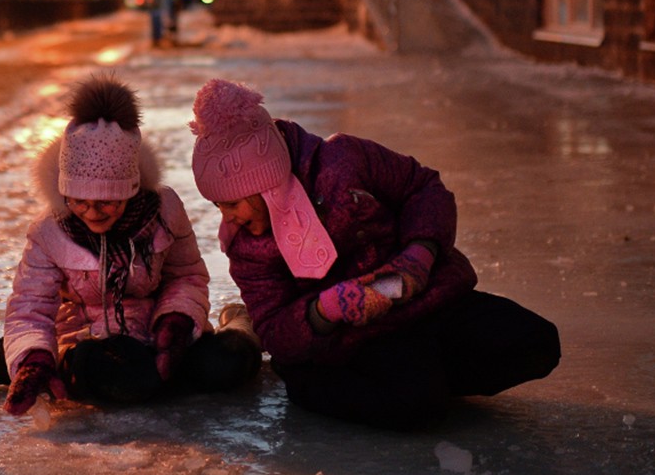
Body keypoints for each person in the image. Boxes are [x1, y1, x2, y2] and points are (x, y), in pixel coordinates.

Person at [188, 78, 560, 429]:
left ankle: (421, 373)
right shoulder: (248, 246)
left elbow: (423, 187)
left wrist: (420, 254)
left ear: (264, 185)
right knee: (416, 406)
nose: (229, 218)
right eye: (220, 207)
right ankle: (333, 384)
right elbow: (273, 327)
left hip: (422, 299)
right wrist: (324, 310)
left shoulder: (344, 160)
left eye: (232, 203)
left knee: (536, 342)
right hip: (353, 340)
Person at [0, 73, 261, 415]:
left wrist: (174, 324)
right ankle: (32, 358)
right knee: (109, 373)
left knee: (226, 365)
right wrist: (35, 356)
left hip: (160, 336)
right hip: (89, 339)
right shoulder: (49, 231)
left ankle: (239, 324)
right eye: (78, 201)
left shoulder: (163, 212)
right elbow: (30, 304)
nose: (91, 212)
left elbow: (186, 275)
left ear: (130, 191)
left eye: (106, 202)